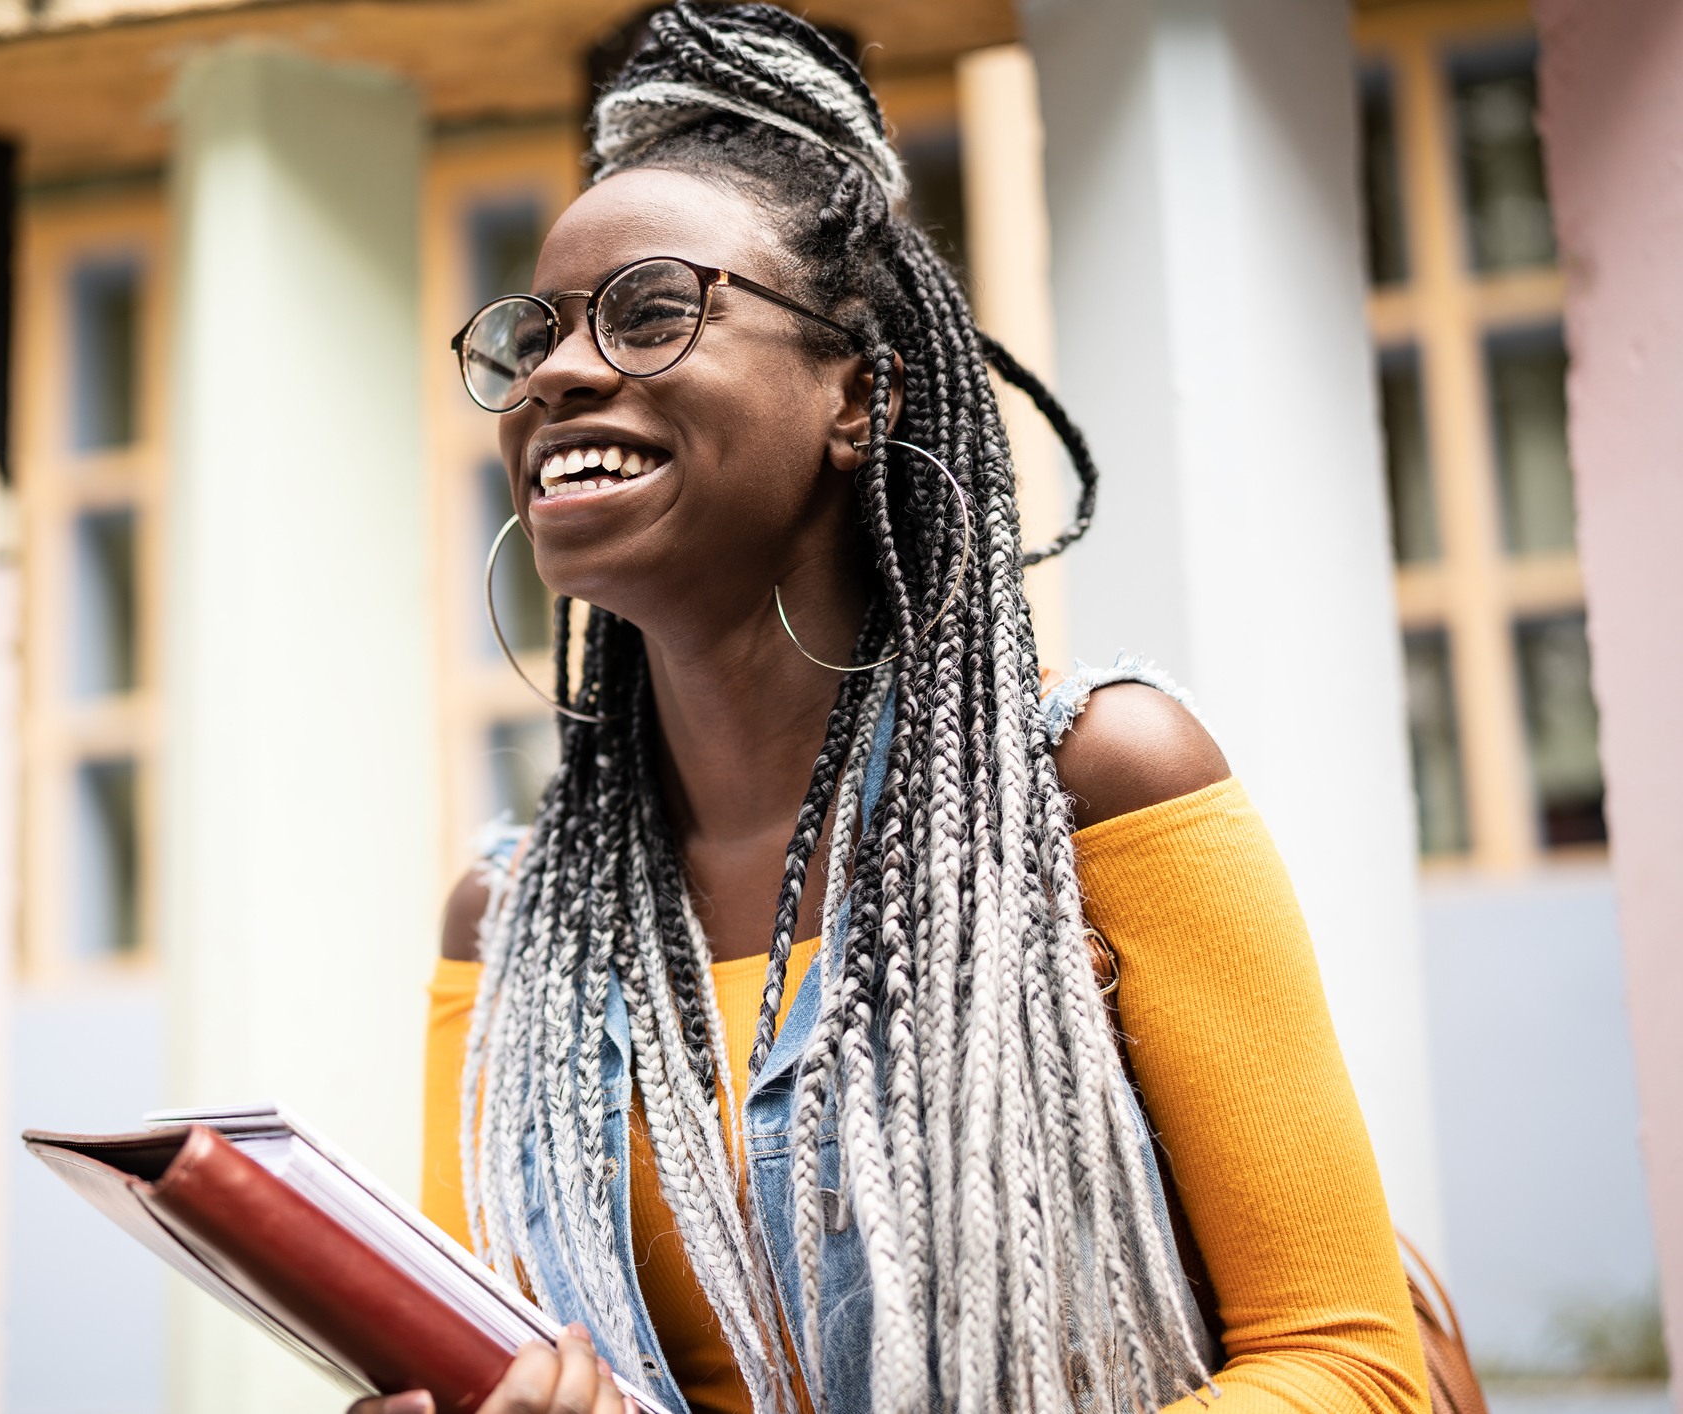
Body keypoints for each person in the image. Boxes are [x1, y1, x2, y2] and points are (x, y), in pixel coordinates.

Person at [355, 7, 1430, 1413]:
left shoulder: (1098, 785)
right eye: (534, 334)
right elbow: (480, 1354)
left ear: (859, 392)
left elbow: (1351, 1366)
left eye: (652, 310)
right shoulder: (502, 923)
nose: (556, 372)